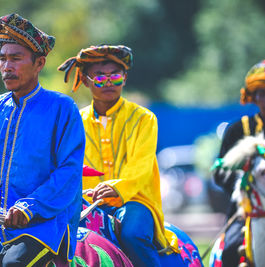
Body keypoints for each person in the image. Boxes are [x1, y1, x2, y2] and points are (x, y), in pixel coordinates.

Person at [0, 13, 85, 266]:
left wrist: (29, 207)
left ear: (39, 63)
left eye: (16, 59)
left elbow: (69, 172)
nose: (7, 66)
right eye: (2, 59)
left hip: (42, 223)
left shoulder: (62, 107)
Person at [58, 45, 177, 266]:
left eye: (115, 76)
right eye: (100, 78)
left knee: (133, 235)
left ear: (125, 78)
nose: (109, 82)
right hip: (85, 202)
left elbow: (140, 167)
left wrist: (117, 188)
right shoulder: (74, 121)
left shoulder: (144, 118)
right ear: (85, 80)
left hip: (135, 201)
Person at [212, 58, 265, 267]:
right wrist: (244, 188)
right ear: (253, 96)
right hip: (246, 211)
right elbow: (220, 173)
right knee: (231, 250)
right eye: (262, 93)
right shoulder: (238, 130)